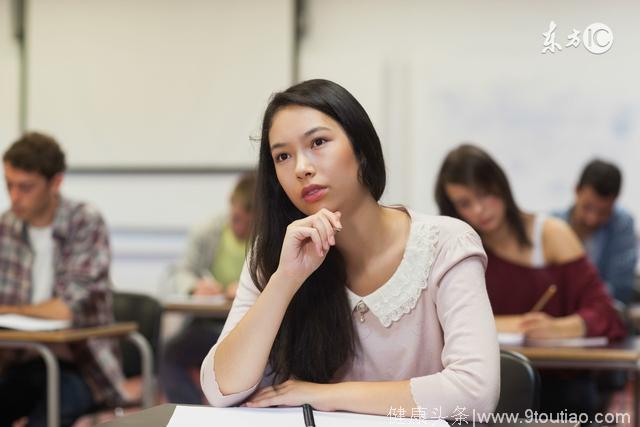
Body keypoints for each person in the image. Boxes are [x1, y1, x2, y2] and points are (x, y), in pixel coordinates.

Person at [199, 80, 499, 419]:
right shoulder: (276, 253)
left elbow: (476, 393)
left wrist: (326, 396)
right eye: (283, 156)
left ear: (361, 148)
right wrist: (286, 279)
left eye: (318, 142)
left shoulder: (447, 243)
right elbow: (219, 390)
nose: (301, 168)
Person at [434, 144, 626, 419]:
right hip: (482, 386)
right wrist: (510, 324)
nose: (479, 210)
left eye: (485, 194)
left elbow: (607, 313)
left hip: (560, 384)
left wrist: (561, 327)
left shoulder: (550, 234)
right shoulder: (456, 246)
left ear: (501, 186)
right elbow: (437, 323)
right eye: (465, 203)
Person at [0, 132, 126, 427]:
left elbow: (64, 310)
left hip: (81, 368)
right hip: (20, 360)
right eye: (9, 185)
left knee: (46, 417)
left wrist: (6, 311)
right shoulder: (7, 227)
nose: (14, 197)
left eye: (25, 188)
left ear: (55, 183)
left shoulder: (85, 222)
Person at [160, 171, 256, 404]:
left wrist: (249, 289)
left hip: (248, 328)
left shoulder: (270, 239)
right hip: (208, 324)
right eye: (235, 219)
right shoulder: (208, 231)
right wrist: (194, 287)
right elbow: (178, 272)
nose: (239, 227)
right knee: (170, 354)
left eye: (246, 221)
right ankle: (190, 412)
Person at [554, 159, 638, 305]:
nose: (592, 219)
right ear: (576, 190)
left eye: (603, 212)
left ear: (615, 201)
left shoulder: (622, 224)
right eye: (587, 207)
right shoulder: (553, 224)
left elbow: (620, 288)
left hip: (598, 312)